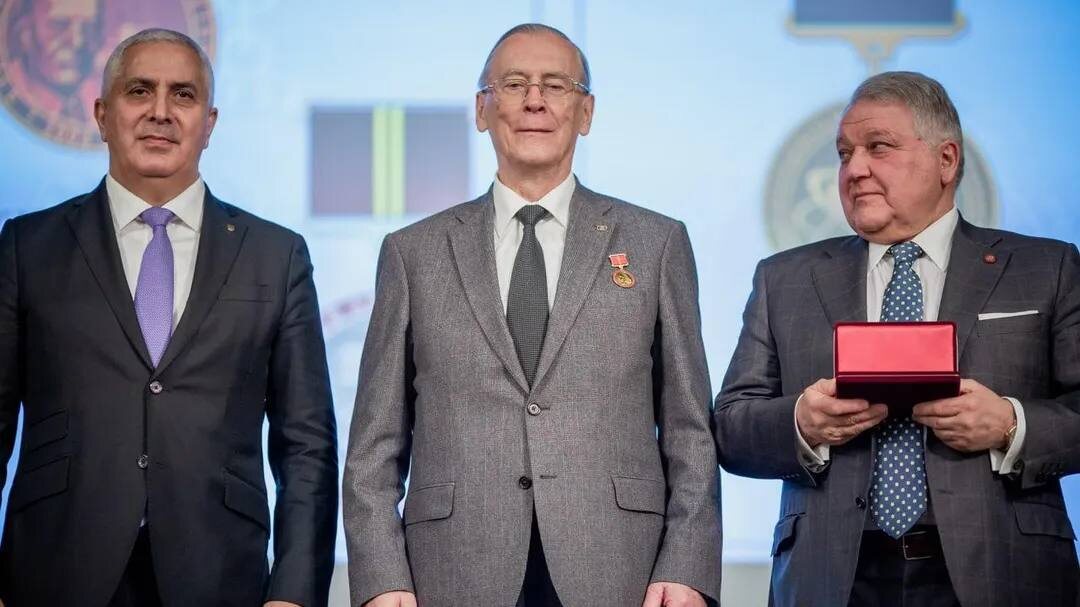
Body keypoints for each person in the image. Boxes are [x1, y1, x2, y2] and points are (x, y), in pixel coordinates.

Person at [343, 23, 721, 607]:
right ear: (481, 109)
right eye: (514, 83)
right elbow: (374, 443)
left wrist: (688, 566)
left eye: (556, 85)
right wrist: (381, 579)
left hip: (618, 567)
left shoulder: (656, 243)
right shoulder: (412, 253)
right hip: (453, 571)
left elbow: (691, 428)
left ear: (586, 112)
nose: (535, 101)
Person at [714, 70, 1079, 607]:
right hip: (831, 578)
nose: (854, 169)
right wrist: (801, 423)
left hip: (1002, 570)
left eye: (878, 147)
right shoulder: (784, 279)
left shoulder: (1046, 267)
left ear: (947, 160)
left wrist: (1010, 424)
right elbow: (731, 426)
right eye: (844, 153)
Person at [0, 28, 338, 607]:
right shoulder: (27, 247)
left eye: (183, 95)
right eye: (139, 91)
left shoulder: (275, 255)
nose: (161, 111)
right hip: (53, 573)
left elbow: (307, 445)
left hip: (220, 574)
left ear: (210, 123)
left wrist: (294, 593)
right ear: (102, 115)